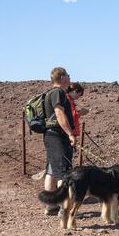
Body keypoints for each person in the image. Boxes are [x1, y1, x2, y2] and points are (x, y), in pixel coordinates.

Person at [43, 67, 76, 215]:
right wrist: (70, 133)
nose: (69, 77)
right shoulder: (58, 92)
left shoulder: (49, 93)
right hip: (58, 136)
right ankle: (65, 208)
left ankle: (50, 206)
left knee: (52, 169)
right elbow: (59, 113)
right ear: (62, 78)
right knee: (64, 172)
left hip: (50, 136)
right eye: (68, 75)